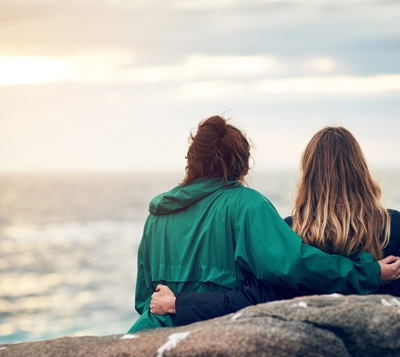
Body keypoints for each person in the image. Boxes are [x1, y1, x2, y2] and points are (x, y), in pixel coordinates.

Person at [128, 118, 400, 332]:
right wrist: (367, 273)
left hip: (150, 334)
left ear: (191, 162)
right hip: (214, 334)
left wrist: (175, 305)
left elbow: (144, 301)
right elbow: (294, 267)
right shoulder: (247, 205)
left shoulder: (157, 215)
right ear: (245, 166)